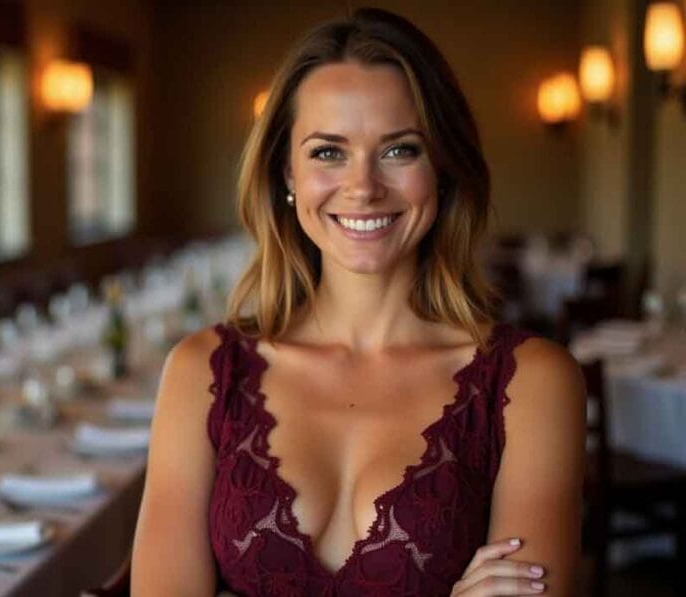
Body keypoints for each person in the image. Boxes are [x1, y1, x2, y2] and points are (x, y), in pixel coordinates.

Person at [131, 7, 584, 596]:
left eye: (399, 151)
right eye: (328, 152)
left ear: (443, 169)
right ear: (286, 174)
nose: (364, 187)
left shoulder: (532, 383)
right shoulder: (202, 372)